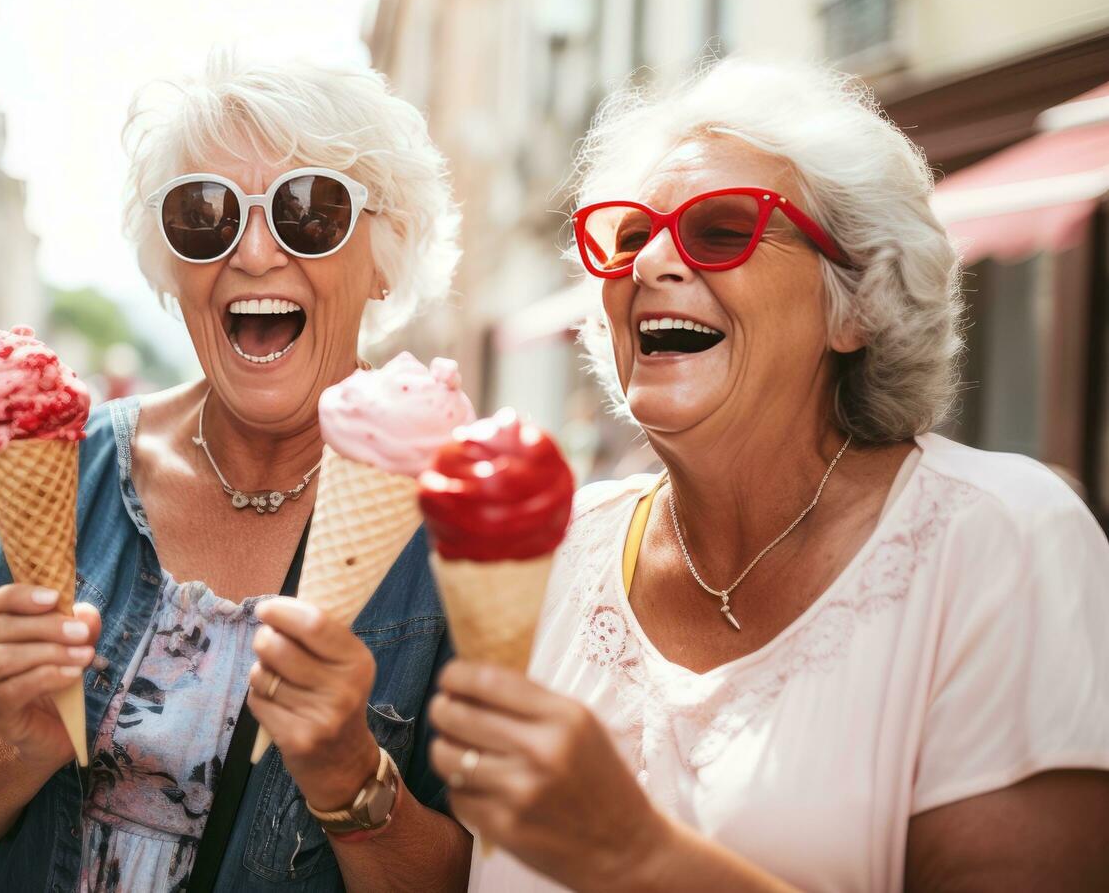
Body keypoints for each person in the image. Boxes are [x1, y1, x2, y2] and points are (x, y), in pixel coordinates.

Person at [430, 59, 1109, 891]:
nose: (650, 265)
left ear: (856, 305)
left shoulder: (1001, 540)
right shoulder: (554, 551)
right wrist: (355, 784)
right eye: (633, 236)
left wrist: (634, 854)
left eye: (721, 230)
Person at [0, 56, 473, 891]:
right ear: (172, 268)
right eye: (203, 215)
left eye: (310, 211)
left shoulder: (457, 531)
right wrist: (13, 743)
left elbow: (485, 876)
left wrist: (355, 779)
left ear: (384, 257)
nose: (253, 252)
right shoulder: (85, 462)